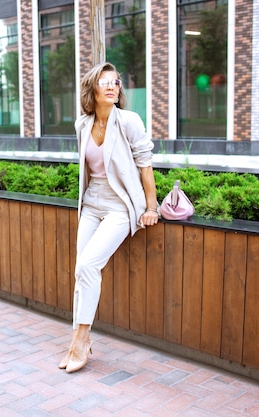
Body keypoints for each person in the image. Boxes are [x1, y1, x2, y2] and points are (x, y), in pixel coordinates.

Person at [59, 62, 159, 373]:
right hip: (91, 203)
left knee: (89, 265)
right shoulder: (82, 125)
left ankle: (80, 340)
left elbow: (145, 164)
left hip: (119, 205)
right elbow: (87, 171)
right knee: (80, 270)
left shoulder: (129, 121)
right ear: (92, 89)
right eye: (105, 83)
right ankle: (81, 339)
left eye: (116, 82)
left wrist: (151, 207)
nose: (112, 86)